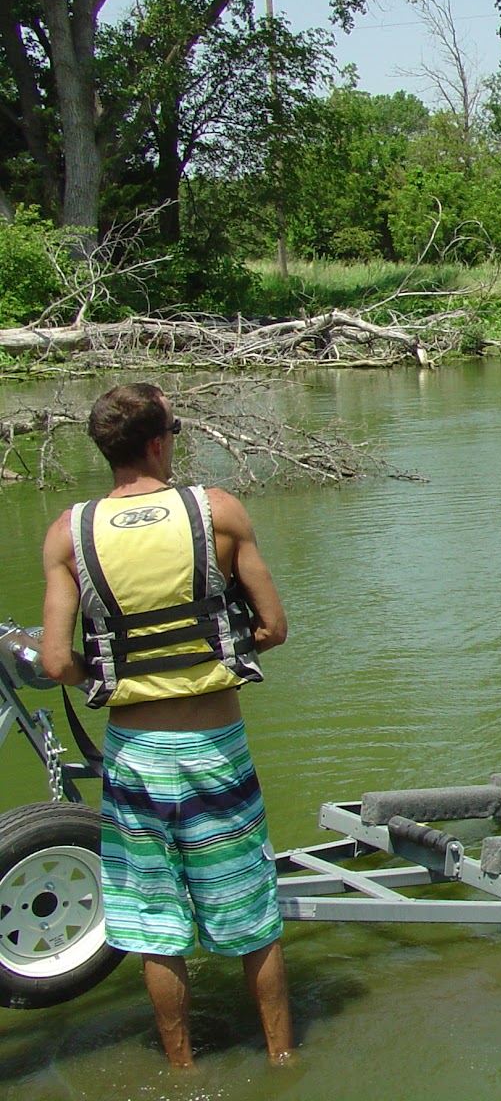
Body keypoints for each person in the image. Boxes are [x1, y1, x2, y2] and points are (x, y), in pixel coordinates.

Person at [38, 383, 293, 1069]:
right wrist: (215, 651)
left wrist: (113, 665)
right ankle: (281, 1058)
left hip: (134, 757)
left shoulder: (69, 533)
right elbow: (273, 627)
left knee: (155, 926)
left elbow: (59, 660)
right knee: (252, 916)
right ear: (158, 443)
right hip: (216, 748)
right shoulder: (217, 512)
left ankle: (181, 1070)